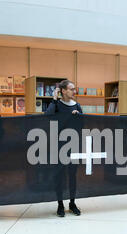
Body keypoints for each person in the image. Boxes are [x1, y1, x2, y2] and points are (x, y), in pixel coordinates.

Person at [45, 80, 83, 217]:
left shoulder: (77, 105)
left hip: (73, 146)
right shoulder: (57, 105)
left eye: (74, 89)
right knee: (59, 176)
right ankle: (60, 204)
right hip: (58, 146)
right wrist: (54, 99)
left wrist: (77, 118)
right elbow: (47, 116)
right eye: (71, 89)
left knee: (72, 175)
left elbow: (82, 126)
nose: (74, 91)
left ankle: (72, 203)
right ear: (63, 91)